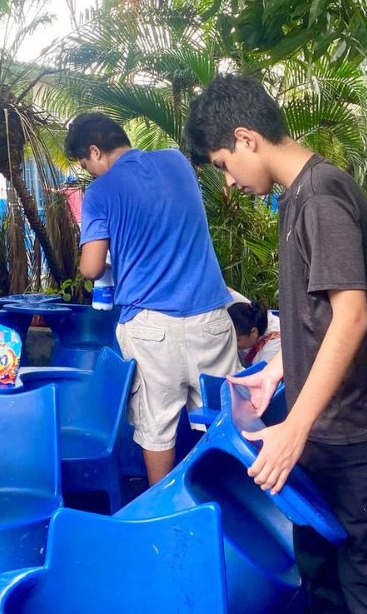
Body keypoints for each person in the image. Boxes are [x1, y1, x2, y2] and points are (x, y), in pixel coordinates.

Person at [185, 75, 367, 614]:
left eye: (222, 164)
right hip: (323, 424)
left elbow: (353, 317)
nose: (230, 182)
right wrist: (277, 369)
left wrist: (295, 428)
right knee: (321, 571)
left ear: (246, 138)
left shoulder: (320, 197)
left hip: (354, 428)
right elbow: (321, 317)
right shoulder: (298, 199)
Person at [67, 112, 241, 485]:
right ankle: (231, 506)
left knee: (156, 427)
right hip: (210, 316)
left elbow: (92, 267)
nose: (91, 174)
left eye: (87, 165)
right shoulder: (177, 162)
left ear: (95, 151)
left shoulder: (99, 193)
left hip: (150, 328)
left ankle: (163, 511)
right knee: (226, 418)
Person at [228, 300, 282, 366]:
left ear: (254, 333)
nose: (231, 343)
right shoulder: (251, 311)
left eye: (237, 340)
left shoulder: (270, 352)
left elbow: (263, 375)